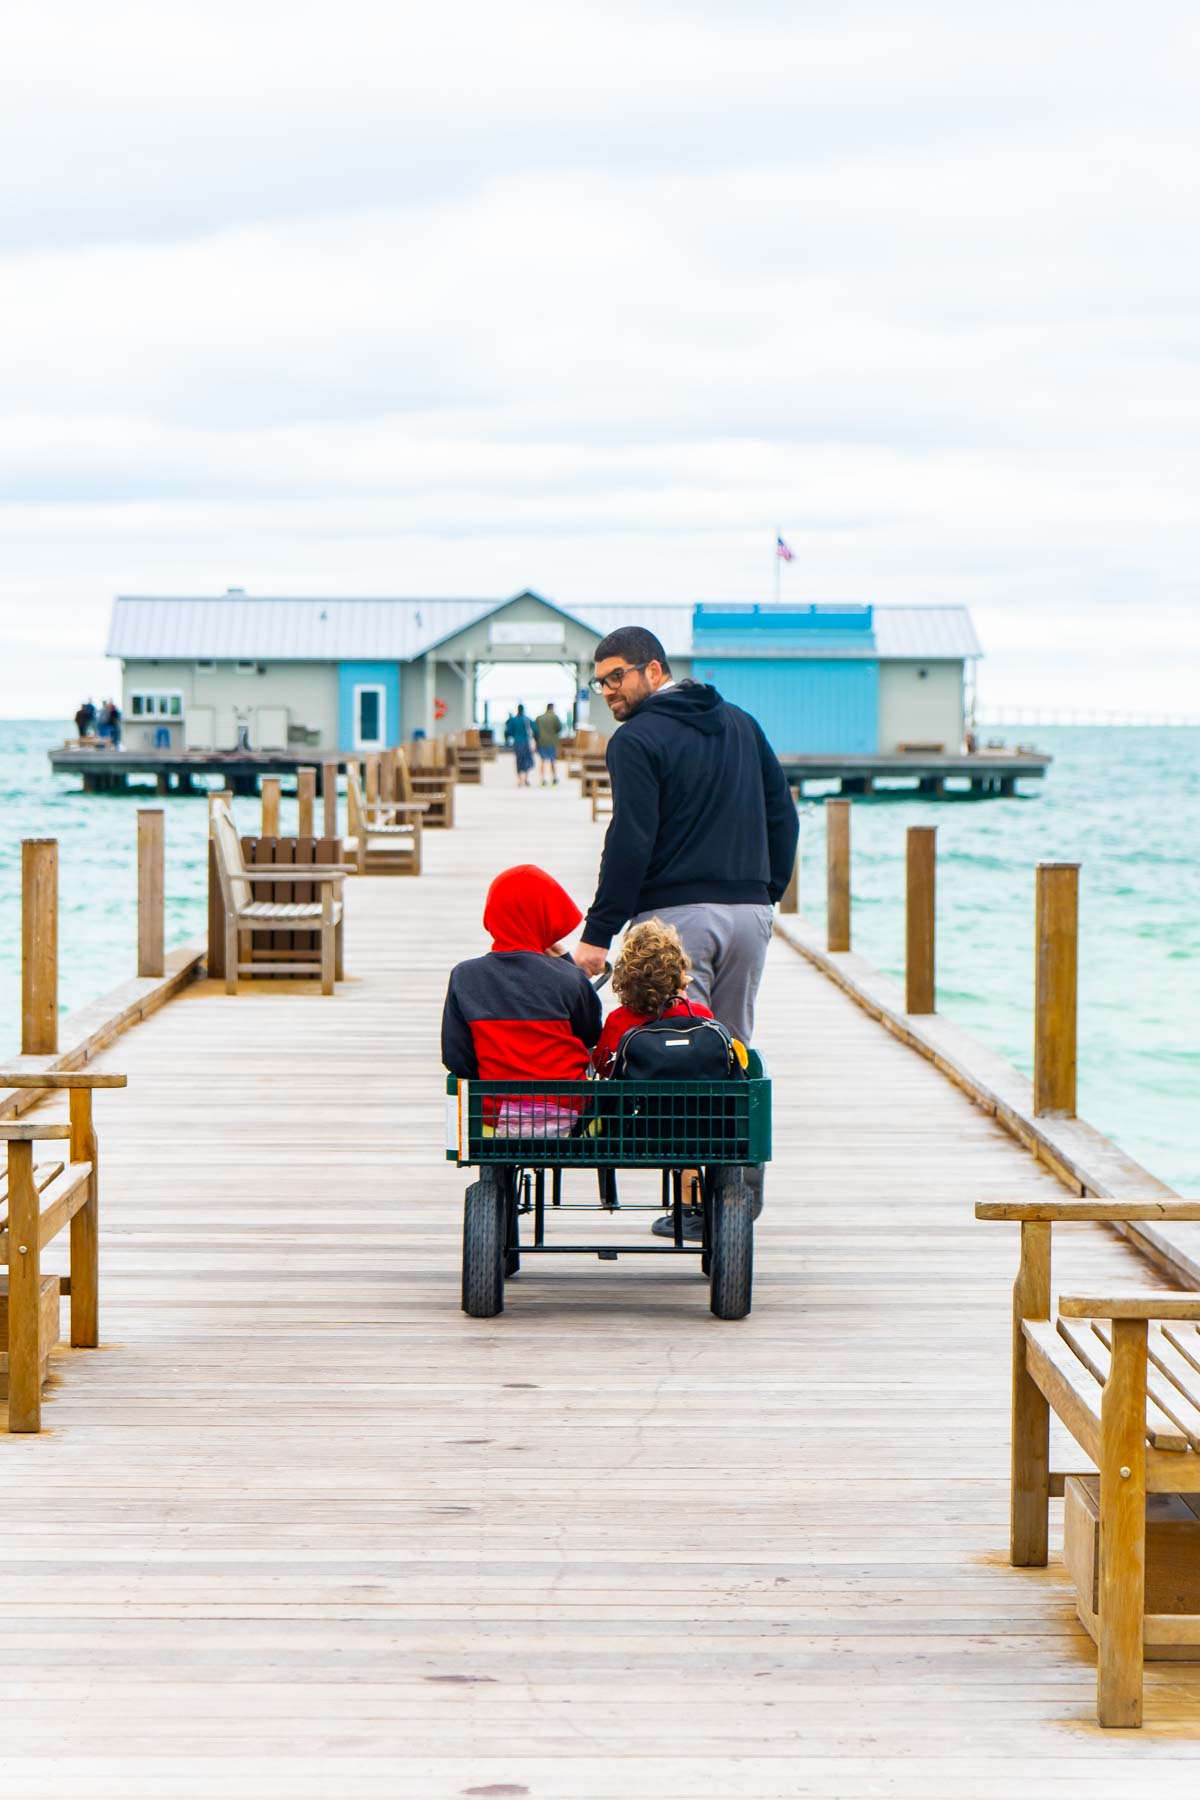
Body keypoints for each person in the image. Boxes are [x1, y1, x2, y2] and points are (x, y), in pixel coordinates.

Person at [573, 625, 798, 1227]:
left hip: (677, 922)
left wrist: (598, 933)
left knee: (683, 1055)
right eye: (599, 683)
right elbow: (784, 813)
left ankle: (701, 1205)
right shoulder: (743, 724)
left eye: (616, 676)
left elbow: (630, 839)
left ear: (653, 670)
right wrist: (766, 891)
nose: (608, 692)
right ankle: (737, 1193)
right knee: (732, 1047)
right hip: (749, 915)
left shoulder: (636, 740)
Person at [442, 864, 602, 1136]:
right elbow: (590, 1036)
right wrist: (564, 960)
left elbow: (457, 1059)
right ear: (545, 918)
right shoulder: (570, 979)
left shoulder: (465, 977)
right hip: (570, 1119)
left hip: (495, 1118)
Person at [535, 702, 563, 786]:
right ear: (552, 708)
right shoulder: (555, 717)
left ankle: (543, 779)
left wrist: (537, 740)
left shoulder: (539, 718)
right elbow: (559, 728)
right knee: (552, 761)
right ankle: (554, 778)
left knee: (543, 760)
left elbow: (535, 730)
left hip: (542, 741)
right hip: (552, 742)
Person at [510, 704, 536, 788]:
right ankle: (526, 779)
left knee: (518, 760)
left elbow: (510, 732)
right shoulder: (527, 719)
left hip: (517, 743)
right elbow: (535, 729)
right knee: (526, 760)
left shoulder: (513, 720)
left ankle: (519, 780)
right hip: (526, 742)